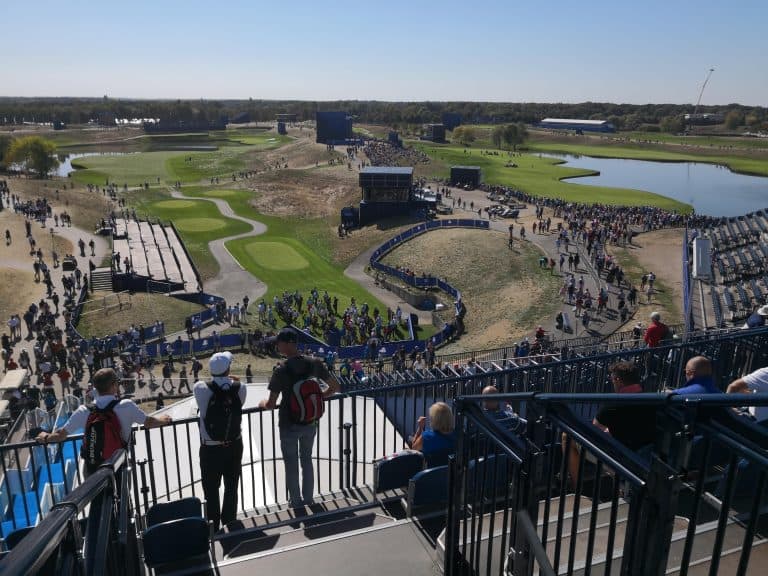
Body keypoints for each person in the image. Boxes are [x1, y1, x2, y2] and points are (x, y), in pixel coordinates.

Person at [36, 368, 171, 475]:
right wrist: (163, 420)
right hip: (118, 464)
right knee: (123, 503)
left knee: (97, 505)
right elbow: (148, 422)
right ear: (114, 385)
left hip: (93, 467)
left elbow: (61, 435)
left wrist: (46, 437)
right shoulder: (126, 405)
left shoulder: (84, 410)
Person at [259, 328, 340, 508]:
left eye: (279, 342)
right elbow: (335, 387)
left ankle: (295, 503)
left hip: (288, 423)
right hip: (310, 421)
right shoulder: (314, 363)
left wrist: (261, 403)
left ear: (288, 344)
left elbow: (271, 403)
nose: (277, 345)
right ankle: (309, 499)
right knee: (307, 459)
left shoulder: (281, 369)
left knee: (291, 463)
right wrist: (317, 397)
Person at [563, 362, 655, 486]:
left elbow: (594, 430)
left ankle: (576, 488)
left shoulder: (613, 404)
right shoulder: (653, 399)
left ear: (617, 380)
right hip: (646, 458)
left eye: (612, 379)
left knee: (567, 437)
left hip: (623, 461)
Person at [193, 351, 246, 531]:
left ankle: (212, 524)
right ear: (228, 369)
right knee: (232, 484)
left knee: (210, 487)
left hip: (210, 448)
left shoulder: (200, 388)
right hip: (234, 443)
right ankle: (229, 519)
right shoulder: (240, 387)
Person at [411, 402, 456, 468]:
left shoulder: (426, 437)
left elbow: (414, 448)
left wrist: (420, 427)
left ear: (434, 419)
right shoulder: (459, 435)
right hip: (452, 475)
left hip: (433, 476)